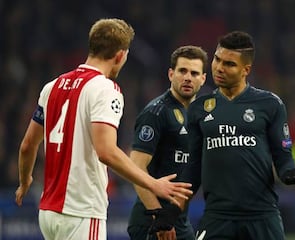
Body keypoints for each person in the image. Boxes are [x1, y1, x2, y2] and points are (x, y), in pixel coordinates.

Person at [14, 18, 192, 240]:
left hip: (48, 212)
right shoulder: (105, 89)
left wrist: (25, 181)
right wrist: (153, 183)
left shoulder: (52, 86)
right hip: (81, 211)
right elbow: (106, 151)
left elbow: (28, 145)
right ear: (120, 55)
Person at [146, 31, 295, 239]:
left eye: (229, 64)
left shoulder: (270, 104)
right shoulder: (199, 109)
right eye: (217, 59)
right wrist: (172, 211)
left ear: (246, 70)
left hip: (262, 215)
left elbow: (283, 156)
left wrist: (287, 172)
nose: (219, 67)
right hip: (218, 217)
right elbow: (193, 168)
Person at [127, 45, 208, 240]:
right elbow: (136, 167)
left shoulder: (202, 115)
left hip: (178, 218)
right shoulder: (156, 113)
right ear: (171, 74)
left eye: (194, 73)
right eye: (182, 71)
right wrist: (159, 215)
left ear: (203, 79)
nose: (188, 77)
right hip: (152, 220)